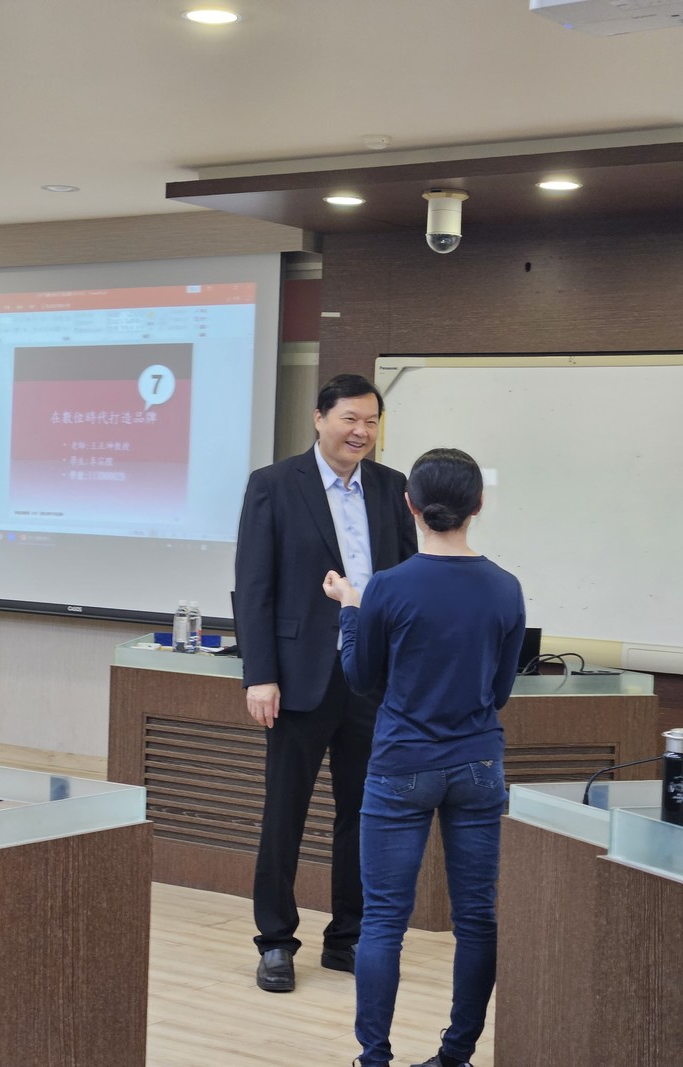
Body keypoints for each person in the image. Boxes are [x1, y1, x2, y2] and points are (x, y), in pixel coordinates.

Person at [322, 447, 526, 1067]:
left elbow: (361, 679)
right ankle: (456, 1055)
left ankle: (374, 1058)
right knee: (477, 918)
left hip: (401, 764)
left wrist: (351, 609)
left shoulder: (388, 586)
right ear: (478, 506)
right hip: (478, 765)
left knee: (384, 919)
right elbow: (500, 692)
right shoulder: (505, 587)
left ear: (410, 505)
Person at [234, 373, 418, 993]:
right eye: (349, 419)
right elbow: (254, 586)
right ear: (319, 419)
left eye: (371, 421)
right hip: (299, 677)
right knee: (284, 812)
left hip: (372, 677)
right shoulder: (274, 484)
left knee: (361, 814)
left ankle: (348, 938)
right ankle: (276, 941)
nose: (361, 432)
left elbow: (408, 582)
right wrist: (260, 674)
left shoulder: (391, 488)